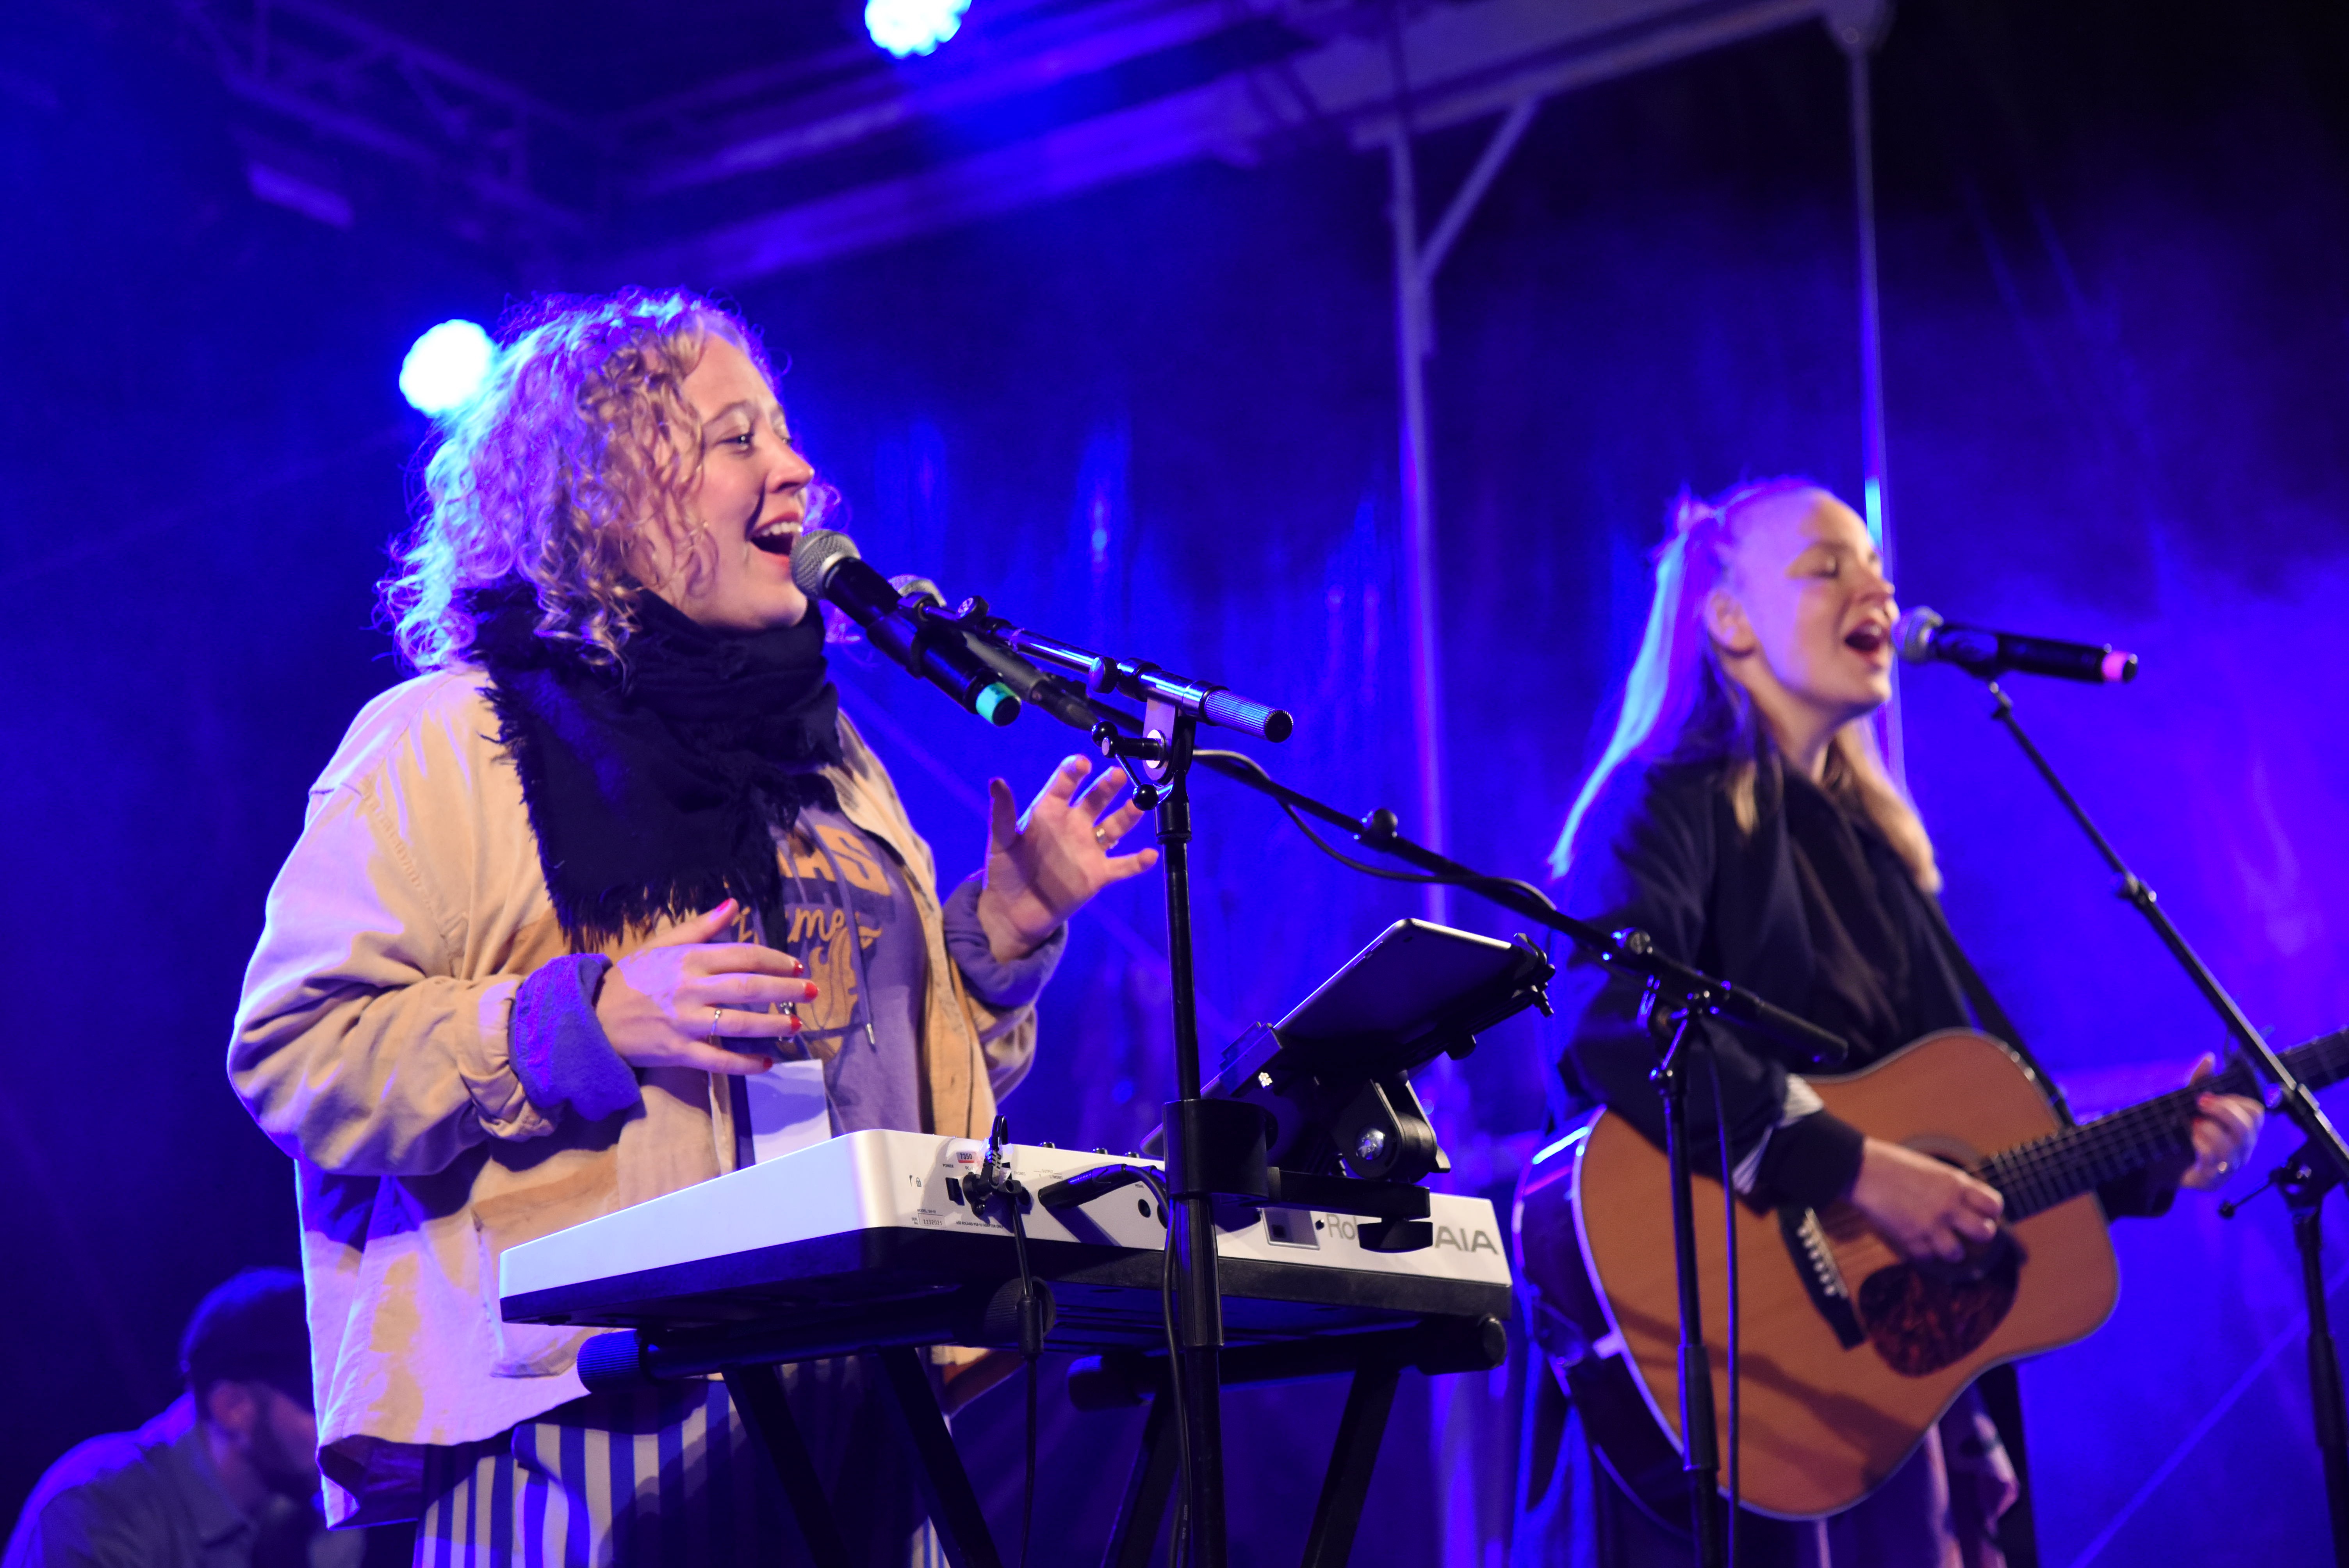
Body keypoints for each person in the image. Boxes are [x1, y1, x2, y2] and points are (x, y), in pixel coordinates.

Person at [227, 289, 1155, 1563]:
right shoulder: (445, 740)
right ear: (600, 493)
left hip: (862, 1402)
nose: (798, 470)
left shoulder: (836, 776)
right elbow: (298, 1052)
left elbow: (895, 1088)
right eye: (736, 438)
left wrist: (994, 939)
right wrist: (581, 1019)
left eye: (782, 433)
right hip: (588, 1421)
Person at [1517, 478, 2264, 1568]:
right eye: (1827, 566)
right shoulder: (1658, 804)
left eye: (1876, 564)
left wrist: (2154, 1153)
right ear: (1727, 619)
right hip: (1724, 1363)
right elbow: (1613, 1020)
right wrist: (1849, 1170)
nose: (1877, 585)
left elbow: (1974, 1150)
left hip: (1880, 1401)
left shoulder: (1879, 851)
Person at [4, 1268, 406, 1568]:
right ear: (232, 1406)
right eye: (322, 1407)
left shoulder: (325, 1529)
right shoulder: (99, 1505)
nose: (352, 1432)